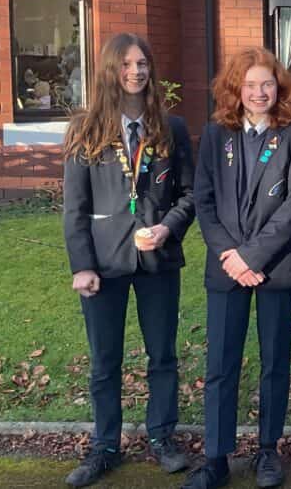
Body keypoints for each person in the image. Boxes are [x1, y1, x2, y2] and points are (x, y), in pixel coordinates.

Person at [62, 33, 195, 487]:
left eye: (142, 63)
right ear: (109, 71)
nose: (136, 71)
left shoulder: (171, 129)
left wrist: (168, 228)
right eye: (126, 64)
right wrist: (82, 265)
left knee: (162, 355)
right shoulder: (85, 129)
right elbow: (75, 208)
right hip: (103, 262)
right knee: (105, 360)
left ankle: (162, 437)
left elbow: (190, 194)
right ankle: (105, 446)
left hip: (158, 261)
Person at [184, 47, 291, 489]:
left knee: (275, 360)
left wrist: (252, 257)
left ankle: (267, 450)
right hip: (226, 266)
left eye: (267, 84)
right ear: (235, 89)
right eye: (250, 84)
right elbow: (204, 200)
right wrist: (231, 256)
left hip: (275, 266)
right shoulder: (215, 133)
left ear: (279, 88)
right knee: (221, 363)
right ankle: (216, 456)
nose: (259, 92)